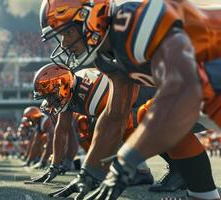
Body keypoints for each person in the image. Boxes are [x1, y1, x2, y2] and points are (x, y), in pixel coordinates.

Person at [40, 0, 221, 199]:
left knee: (164, 116)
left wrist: (125, 162)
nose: (64, 43)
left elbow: (182, 94)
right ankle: (203, 195)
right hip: (206, 88)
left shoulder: (139, 25)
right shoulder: (106, 54)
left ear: (90, 17)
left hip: (207, 81)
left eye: (67, 32)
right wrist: (90, 172)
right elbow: (115, 115)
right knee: (147, 117)